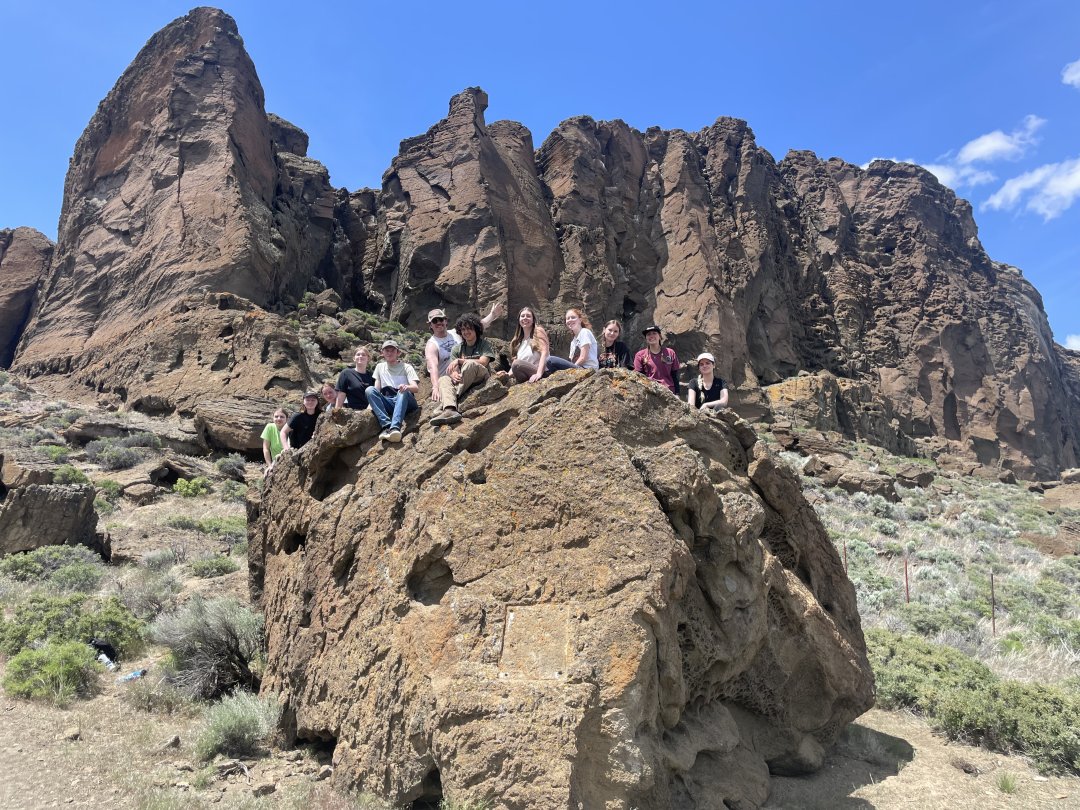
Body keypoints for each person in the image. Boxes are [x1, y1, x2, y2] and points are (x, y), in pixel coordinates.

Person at [425, 302, 505, 401]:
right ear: (430, 325)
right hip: (451, 378)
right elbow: (433, 368)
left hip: (468, 371)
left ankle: (455, 395)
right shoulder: (431, 345)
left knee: (469, 366)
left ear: (445, 320)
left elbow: (476, 326)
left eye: (440, 319)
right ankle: (452, 397)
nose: (438, 322)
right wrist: (436, 387)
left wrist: (492, 315)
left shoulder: (456, 333)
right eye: (434, 321)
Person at [431, 313, 496, 425]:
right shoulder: (457, 349)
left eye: (469, 329)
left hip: (480, 377)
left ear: (476, 329)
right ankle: (450, 410)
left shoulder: (484, 344)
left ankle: (446, 403)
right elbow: (453, 369)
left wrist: (461, 361)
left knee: (470, 364)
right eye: (463, 329)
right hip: (464, 380)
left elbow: (483, 362)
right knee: (443, 379)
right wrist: (454, 374)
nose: (466, 332)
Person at [365, 340, 420, 443]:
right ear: (382, 353)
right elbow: (376, 390)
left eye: (392, 350)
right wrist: (369, 406)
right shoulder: (379, 367)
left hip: (406, 401)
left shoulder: (407, 367)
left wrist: (406, 387)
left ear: (398, 353)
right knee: (369, 389)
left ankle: (395, 428)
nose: (389, 353)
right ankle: (386, 426)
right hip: (389, 401)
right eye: (387, 351)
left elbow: (415, 388)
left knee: (402, 392)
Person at [546, 308, 598, 373]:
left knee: (550, 360)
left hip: (588, 369)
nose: (570, 320)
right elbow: (571, 361)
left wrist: (570, 371)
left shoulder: (584, 332)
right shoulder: (573, 341)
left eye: (573, 317)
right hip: (578, 368)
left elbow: (583, 357)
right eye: (568, 318)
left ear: (580, 320)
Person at [634, 325, 680, 394]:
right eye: (648, 334)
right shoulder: (640, 355)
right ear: (646, 338)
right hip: (650, 392)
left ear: (660, 336)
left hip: (669, 392)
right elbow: (638, 377)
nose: (651, 336)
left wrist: (677, 393)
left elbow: (675, 375)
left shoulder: (670, 353)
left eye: (654, 333)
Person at [508, 306, 550, 383]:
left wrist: (539, 374)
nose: (525, 318)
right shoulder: (517, 342)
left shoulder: (538, 331)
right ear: (519, 320)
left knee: (517, 363)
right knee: (516, 365)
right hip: (526, 377)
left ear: (533, 320)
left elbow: (545, 353)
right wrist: (505, 376)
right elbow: (515, 367)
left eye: (528, 316)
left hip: (541, 372)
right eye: (522, 316)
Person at [260, 408, 287, 476]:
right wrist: (269, 465)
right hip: (276, 462)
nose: (279, 419)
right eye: (276, 416)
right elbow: (266, 448)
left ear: (287, 419)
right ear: (273, 418)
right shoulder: (269, 427)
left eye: (282, 417)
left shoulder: (291, 428)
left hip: (288, 459)